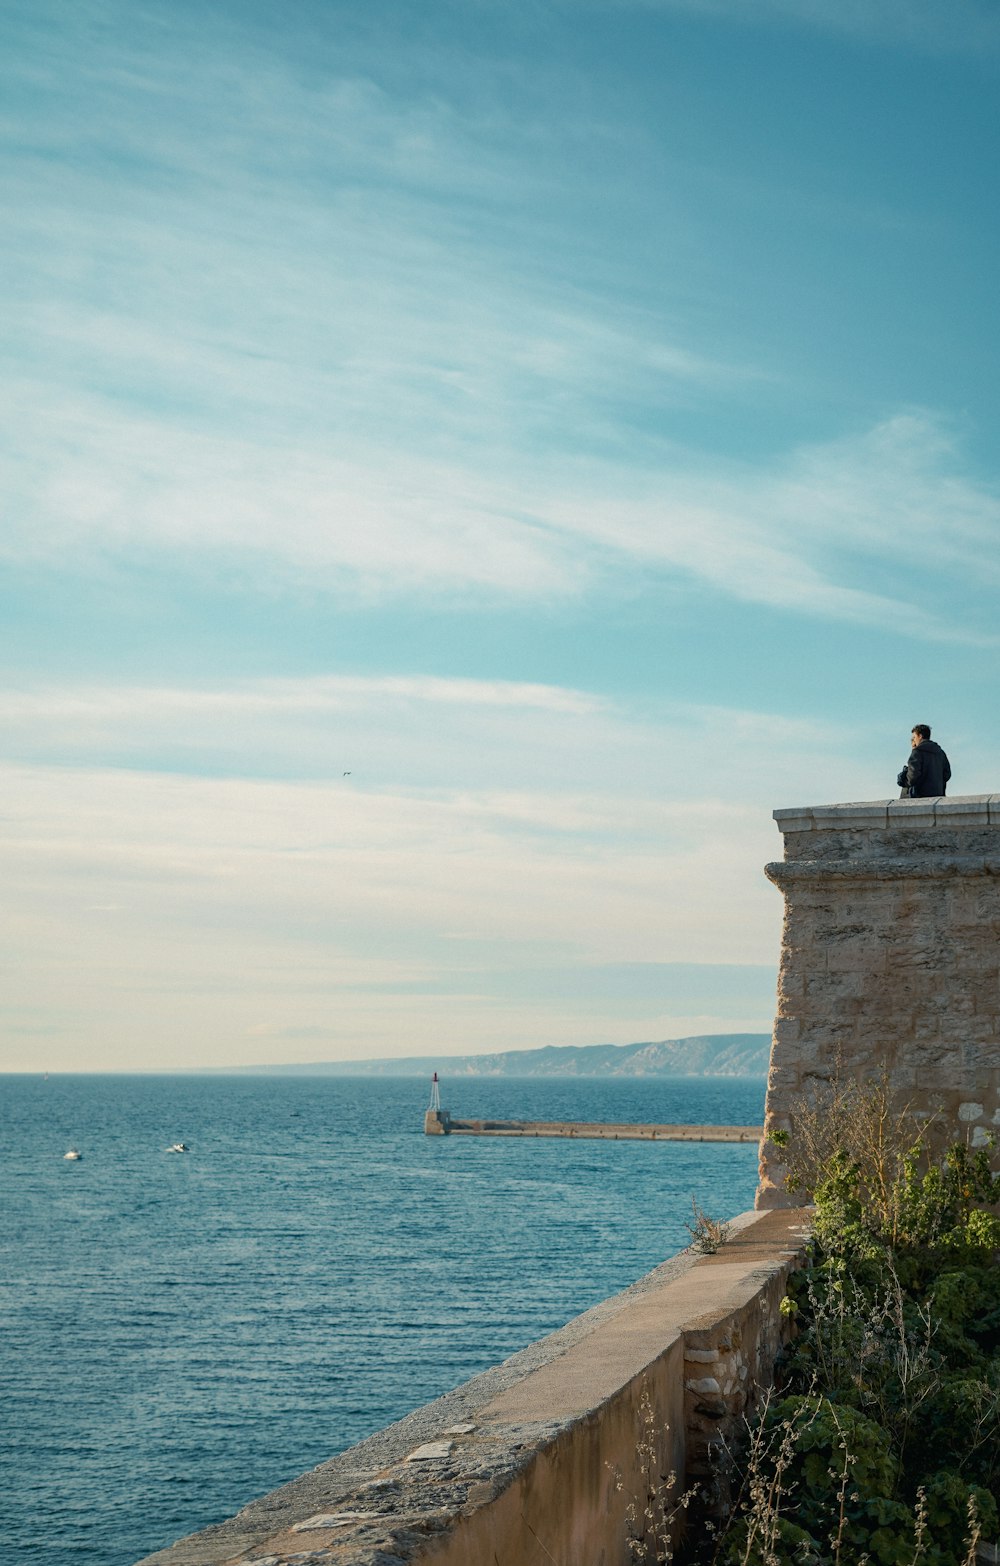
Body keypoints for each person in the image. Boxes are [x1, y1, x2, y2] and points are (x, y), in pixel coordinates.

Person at [896, 724, 951, 798]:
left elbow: (912, 776)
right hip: (938, 796)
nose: (914, 740)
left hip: (920, 797)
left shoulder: (917, 752)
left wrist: (904, 781)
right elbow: (947, 774)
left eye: (914, 737)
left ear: (920, 736)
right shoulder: (940, 752)